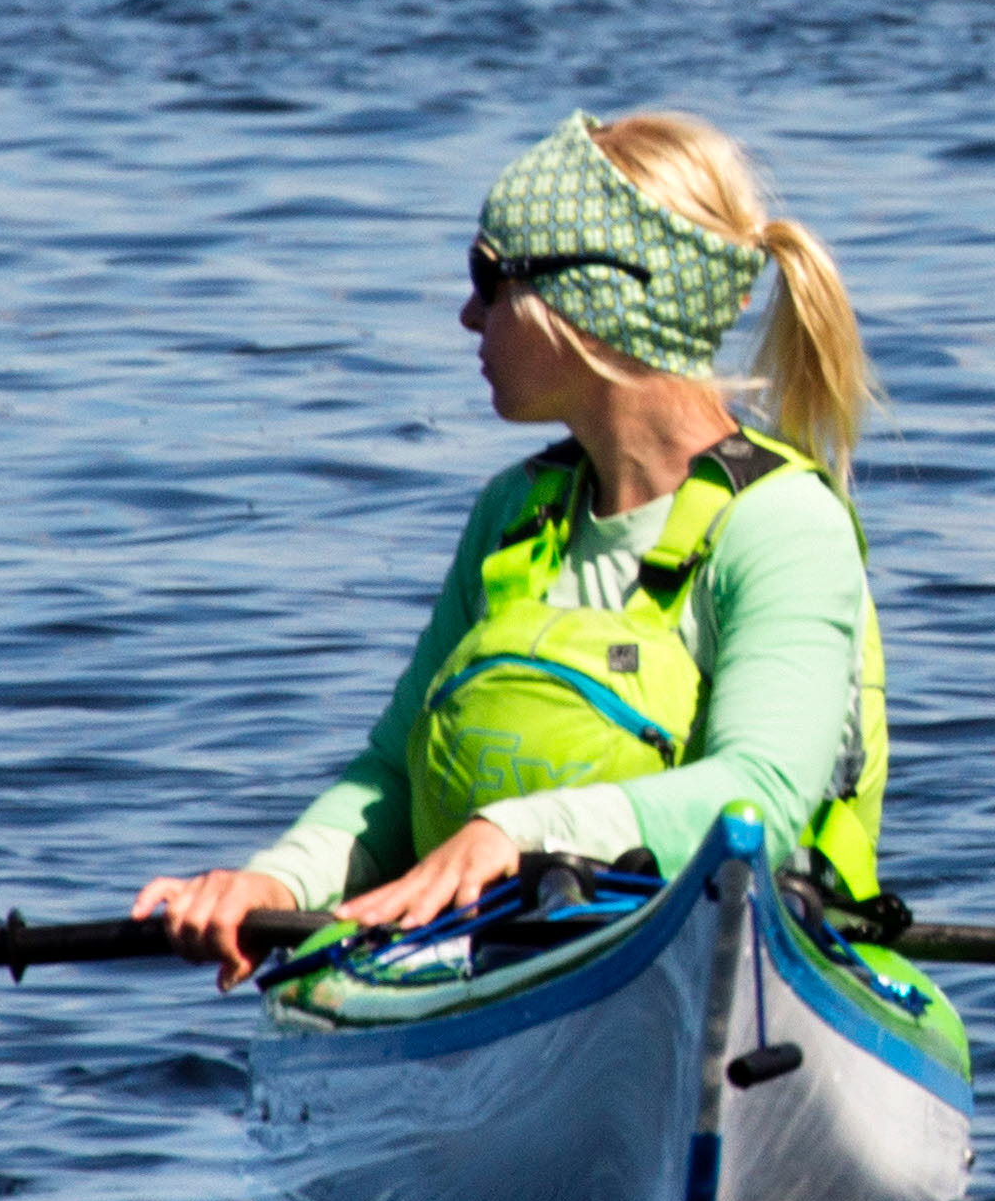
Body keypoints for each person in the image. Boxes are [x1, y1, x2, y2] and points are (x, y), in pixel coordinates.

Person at [134, 109, 892, 986]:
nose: (466, 315)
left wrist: (515, 832)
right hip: (494, 959)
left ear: (591, 299)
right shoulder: (511, 515)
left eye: (488, 279)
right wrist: (276, 879)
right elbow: (392, 773)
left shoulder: (781, 524)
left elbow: (760, 794)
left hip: (725, 960)